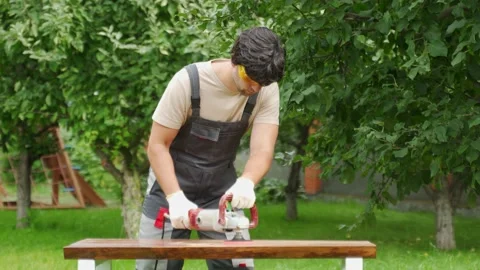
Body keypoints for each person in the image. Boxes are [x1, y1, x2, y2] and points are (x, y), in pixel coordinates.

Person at [136, 26, 285, 270]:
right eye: (251, 80)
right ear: (235, 60)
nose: (255, 89)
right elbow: (157, 145)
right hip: (169, 186)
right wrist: (175, 198)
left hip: (221, 190)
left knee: (238, 264)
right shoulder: (188, 81)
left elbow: (262, 150)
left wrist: (247, 181)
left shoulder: (265, 88)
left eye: (263, 83)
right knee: (158, 265)